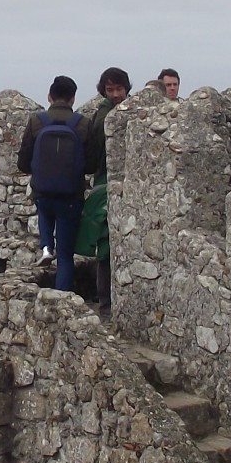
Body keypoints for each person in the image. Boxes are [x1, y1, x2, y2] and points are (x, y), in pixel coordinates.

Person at [16, 76, 88, 293]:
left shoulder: (37, 122)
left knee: (44, 210)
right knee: (66, 256)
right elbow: (92, 162)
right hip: (71, 196)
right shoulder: (83, 124)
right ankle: (61, 299)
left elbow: (23, 162)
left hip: (43, 192)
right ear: (73, 99)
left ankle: (47, 247)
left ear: (49, 97)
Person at [76, 68, 132, 311]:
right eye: (111, 90)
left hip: (117, 182)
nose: (116, 94)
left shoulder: (122, 113)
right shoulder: (104, 117)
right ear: (104, 91)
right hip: (105, 183)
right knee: (106, 245)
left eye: (119, 89)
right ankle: (106, 301)